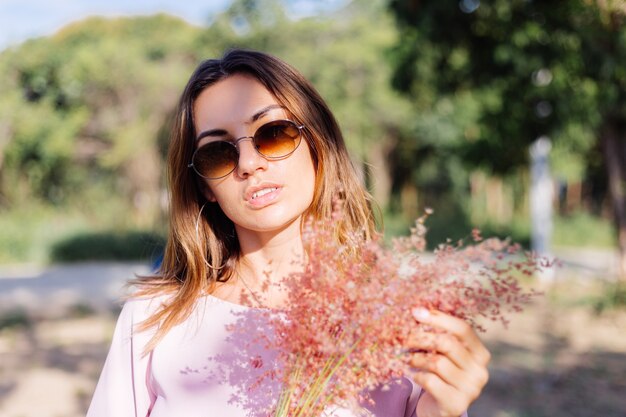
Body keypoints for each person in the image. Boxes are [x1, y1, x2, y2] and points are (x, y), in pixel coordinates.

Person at [86, 48, 490, 417]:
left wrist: (442, 411)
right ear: (205, 185)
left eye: (273, 134)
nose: (248, 163)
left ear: (318, 143)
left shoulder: (396, 319)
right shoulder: (153, 317)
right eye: (217, 152)